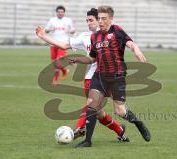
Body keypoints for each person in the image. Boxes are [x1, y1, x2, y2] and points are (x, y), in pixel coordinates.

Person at [36, 8, 129, 142]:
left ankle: (78, 128)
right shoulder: (85, 36)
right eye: (87, 21)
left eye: (91, 20)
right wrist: (43, 36)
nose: (88, 23)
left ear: (100, 20)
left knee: (93, 106)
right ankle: (120, 131)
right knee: (98, 113)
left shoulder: (110, 35)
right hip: (89, 78)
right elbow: (64, 45)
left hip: (106, 77)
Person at [68, 6, 151, 148]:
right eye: (99, 18)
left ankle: (138, 123)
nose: (100, 21)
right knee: (91, 106)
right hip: (99, 76)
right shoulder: (95, 36)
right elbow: (92, 59)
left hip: (117, 76)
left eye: (103, 18)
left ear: (110, 19)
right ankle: (87, 141)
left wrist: (136, 49)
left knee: (120, 111)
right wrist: (78, 59)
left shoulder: (117, 30)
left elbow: (129, 42)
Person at [45, 5, 76, 85]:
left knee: (57, 62)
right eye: (59, 12)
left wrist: (70, 30)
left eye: (62, 12)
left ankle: (55, 80)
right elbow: (46, 30)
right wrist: (48, 29)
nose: (60, 13)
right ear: (56, 13)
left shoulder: (68, 20)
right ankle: (65, 71)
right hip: (53, 44)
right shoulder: (52, 20)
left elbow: (73, 30)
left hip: (63, 44)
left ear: (64, 13)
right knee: (55, 62)